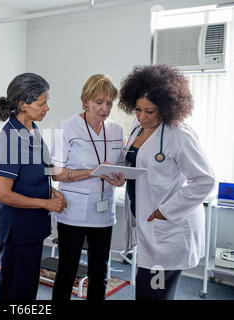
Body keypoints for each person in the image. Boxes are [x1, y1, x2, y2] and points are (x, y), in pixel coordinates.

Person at [112, 64, 216, 300]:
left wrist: (165, 211)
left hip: (168, 230)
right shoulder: (139, 128)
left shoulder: (178, 134)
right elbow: (140, 165)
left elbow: (205, 180)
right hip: (149, 225)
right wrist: (121, 174)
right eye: (138, 109)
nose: (141, 116)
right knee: (147, 290)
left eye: (150, 111)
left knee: (155, 293)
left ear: (167, 108)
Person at [0, 73, 68, 300]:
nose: (47, 108)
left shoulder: (32, 130)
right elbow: (2, 193)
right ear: (23, 104)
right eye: (42, 103)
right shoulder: (11, 138)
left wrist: (50, 190)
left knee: (27, 292)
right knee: (16, 294)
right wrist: (46, 202)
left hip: (32, 228)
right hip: (18, 231)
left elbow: (31, 174)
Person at [50, 74, 125, 301]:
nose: (105, 108)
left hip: (103, 212)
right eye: (99, 102)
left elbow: (120, 170)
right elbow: (57, 173)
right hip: (73, 211)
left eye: (109, 103)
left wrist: (120, 179)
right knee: (67, 271)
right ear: (86, 101)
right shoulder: (67, 127)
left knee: (100, 271)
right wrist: (93, 171)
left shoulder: (116, 130)